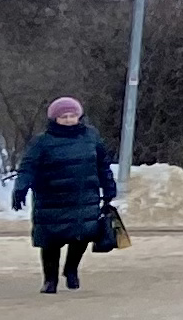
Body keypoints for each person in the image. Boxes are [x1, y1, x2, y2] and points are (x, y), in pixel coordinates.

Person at [7, 97, 115, 295]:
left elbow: (102, 165)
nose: (68, 119)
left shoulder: (91, 136)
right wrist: (20, 188)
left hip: (84, 195)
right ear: (54, 119)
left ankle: (71, 269)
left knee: (83, 235)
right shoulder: (42, 142)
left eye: (72, 115)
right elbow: (28, 166)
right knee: (51, 240)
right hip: (51, 198)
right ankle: (50, 280)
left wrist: (109, 189)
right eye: (63, 116)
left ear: (79, 116)